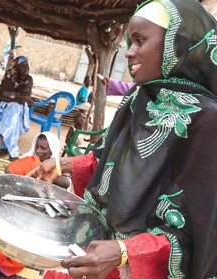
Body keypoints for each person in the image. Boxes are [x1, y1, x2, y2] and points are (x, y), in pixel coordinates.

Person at [29, 1, 217, 278]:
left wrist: (125, 252)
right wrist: (62, 164)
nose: (129, 52)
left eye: (140, 40)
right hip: (93, 249)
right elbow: (113, 166)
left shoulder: (207, 121)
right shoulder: (138, 99)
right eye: (130, 41)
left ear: (178, 45)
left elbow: (198, 229)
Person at [0, 56, 33, 159]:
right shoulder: (9, 74)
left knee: (14, 109)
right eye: (22, 66)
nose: (25, 68)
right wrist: (15, 96)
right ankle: (3, 142)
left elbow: (24, 98)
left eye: (26, 65)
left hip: (19, 107)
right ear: (16, 67)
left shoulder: (28, 79)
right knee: (8, 108)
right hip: (4, 102)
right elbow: (4, 91)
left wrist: (9, 96)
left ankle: (2, 138)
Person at [6, 132, 71, 189]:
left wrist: (45, 172)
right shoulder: (28, 159)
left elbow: (67, 183)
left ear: (52, 150)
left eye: (43, 148)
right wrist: (33, 166)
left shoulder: (58, 165)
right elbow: (8, 170)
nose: (38, 151)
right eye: (36, 146)